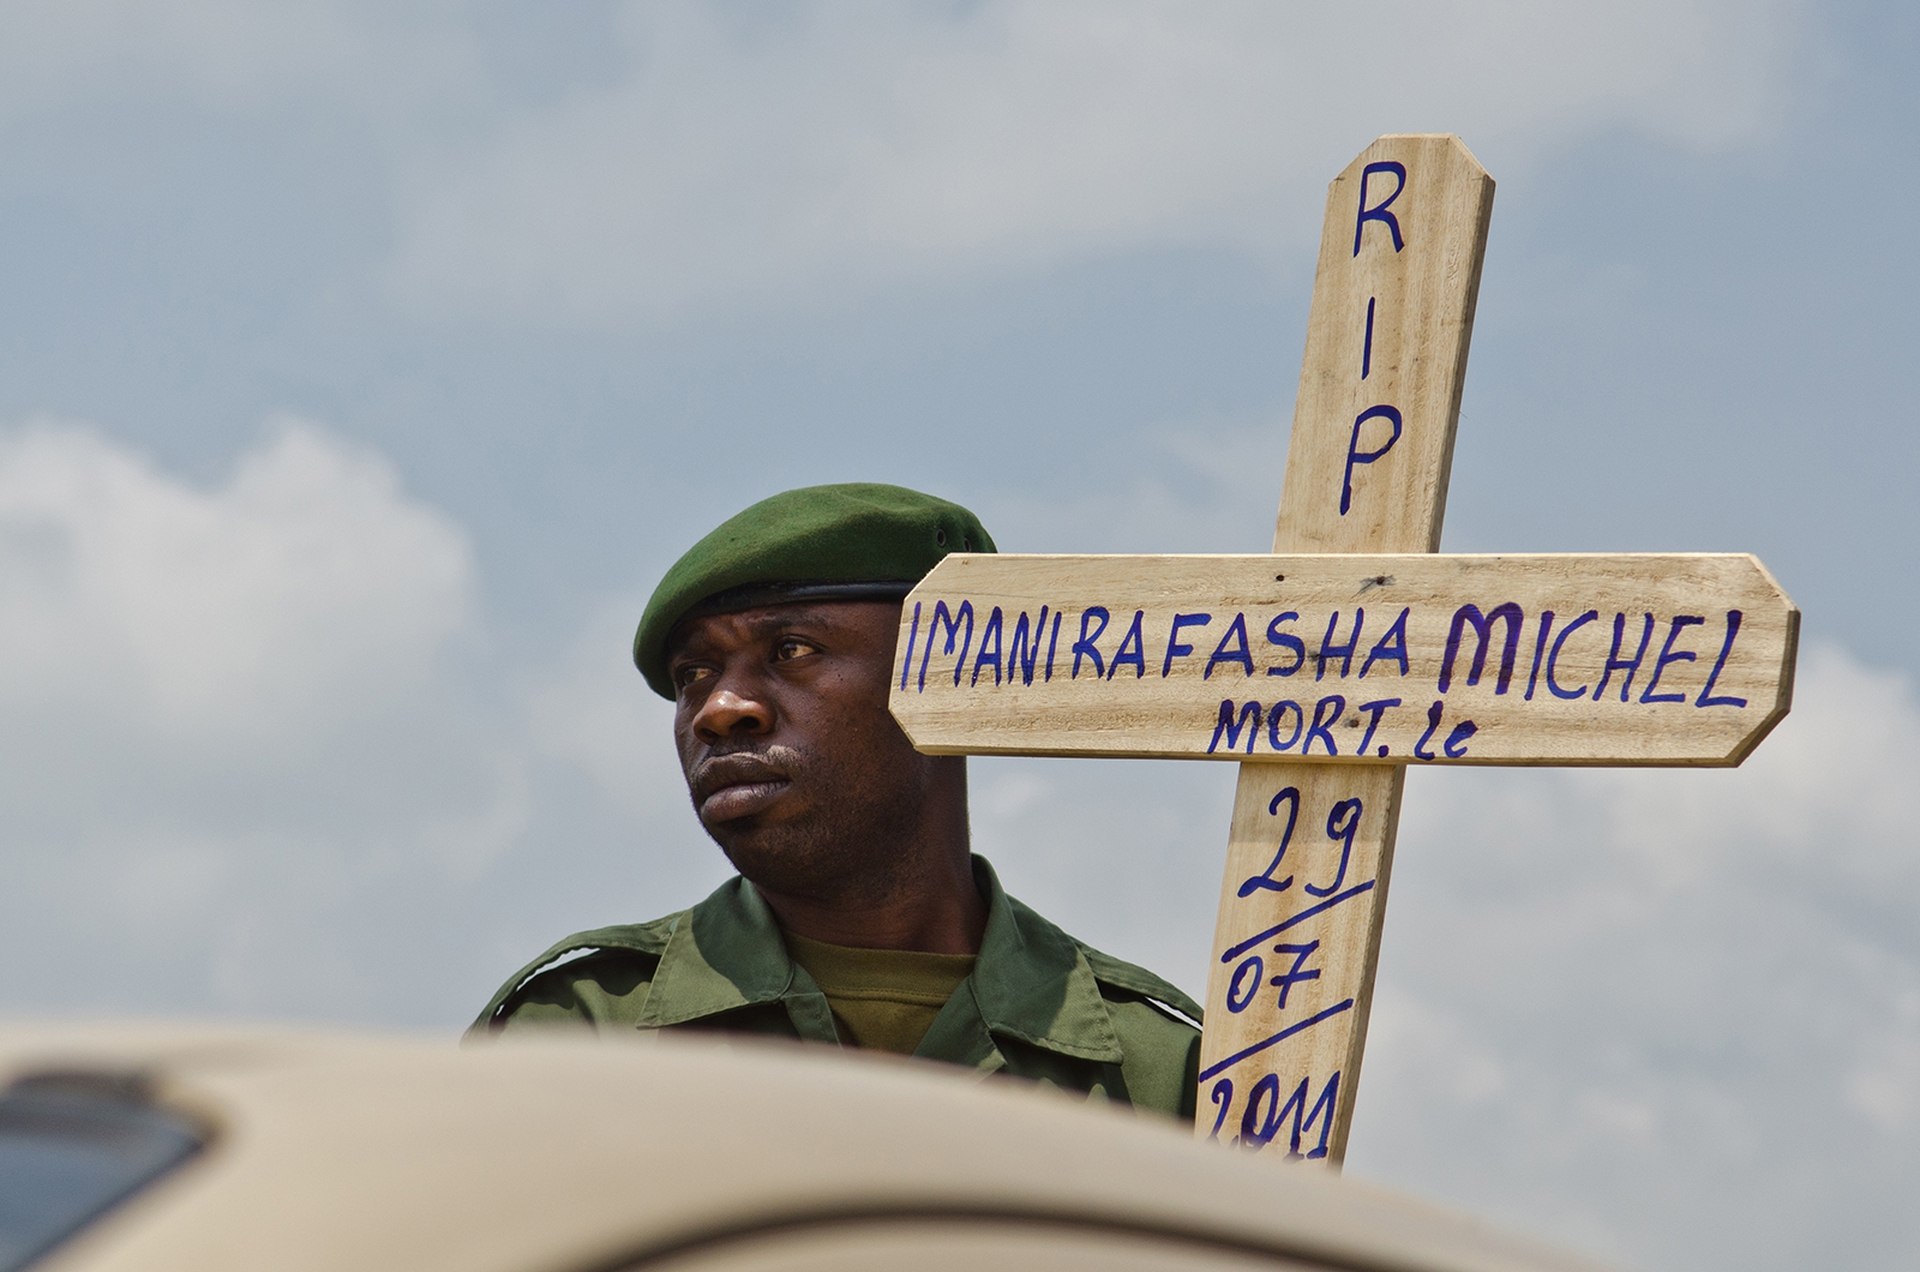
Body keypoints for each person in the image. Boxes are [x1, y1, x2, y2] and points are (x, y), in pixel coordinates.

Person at [470, 483, 1202, 1120]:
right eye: (694, 672)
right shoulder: (583, 1029)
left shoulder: (1163, 1070)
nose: (718, 709)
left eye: (791, 650)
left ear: (958, 680)